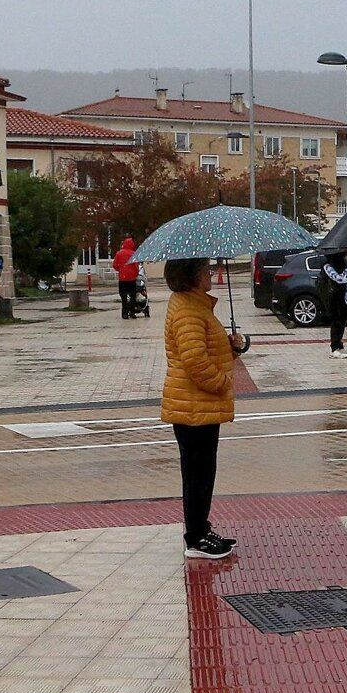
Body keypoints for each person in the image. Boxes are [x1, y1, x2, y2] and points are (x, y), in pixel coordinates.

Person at [161, 257, 238, 559]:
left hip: (199, 405)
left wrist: (230, 346)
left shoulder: (195, 306)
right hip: (194, 406)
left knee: (203, 471)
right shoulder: (188, 311)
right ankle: (195, 537)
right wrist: (222, 382)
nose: (211, 274)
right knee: (197, 473)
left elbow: (204, 349)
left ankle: (201, 528)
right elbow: (195, 361)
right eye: (206, 270)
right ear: (192, 276)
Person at [113, 236, 143, 319]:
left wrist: (120, 270)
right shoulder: (133, 254)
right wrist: (136, 274)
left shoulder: (119, 253)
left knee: (123, 296)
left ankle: (124, 313)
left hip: (122, 278)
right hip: (131, 278)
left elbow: (115, 265)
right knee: (133, 296)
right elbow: (136, 266)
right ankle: (132, 312)